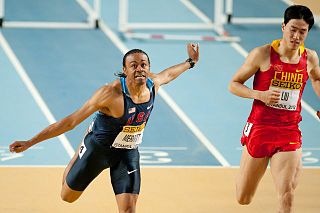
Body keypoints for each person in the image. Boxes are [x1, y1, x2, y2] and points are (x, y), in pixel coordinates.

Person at [9, 43, 199, 213]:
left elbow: (169, 74)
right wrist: (30, 142)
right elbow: (70, 122)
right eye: (134, 65)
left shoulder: (153, 84)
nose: (140, 69)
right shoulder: (109, 94)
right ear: (124, 70)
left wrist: (190, 61)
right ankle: (79, 153)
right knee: (67, 197)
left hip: (127, 153)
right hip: (97, 149)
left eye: (144, 65)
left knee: (128, 209)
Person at [228, 5, 320, 213]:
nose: (296, 36)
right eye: (293, 29)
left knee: (287, 194)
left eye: (302, 32)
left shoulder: (310, 58)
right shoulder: (262, 54)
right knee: (243, 197)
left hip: (289, 130)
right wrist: (259, 94)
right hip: (260, 128)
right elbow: (234, 84)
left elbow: (316, 79)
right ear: (283, 27)